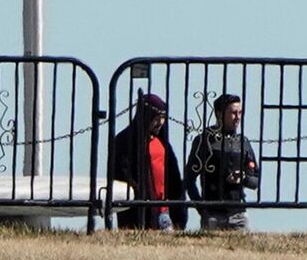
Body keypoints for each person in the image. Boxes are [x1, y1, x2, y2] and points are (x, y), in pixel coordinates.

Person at [109, 92, 187, 231]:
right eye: (156, 118)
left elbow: (173, 176)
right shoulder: (124, 140)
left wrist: (179, 210)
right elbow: (121, 172)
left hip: (164, 209)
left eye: (163, 118)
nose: (160, 123)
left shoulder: (162, 142)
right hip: (137, 210)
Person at [185, 94, 260, 232]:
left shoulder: (243, 143)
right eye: (233, 113)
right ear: (219, 114)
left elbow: (256, 181)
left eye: (240, 113)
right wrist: (201, 208)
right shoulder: (204, 141)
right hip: (212, 213)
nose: (237, 117)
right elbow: (189, 179)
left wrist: (243, 178)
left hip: (238, 213)